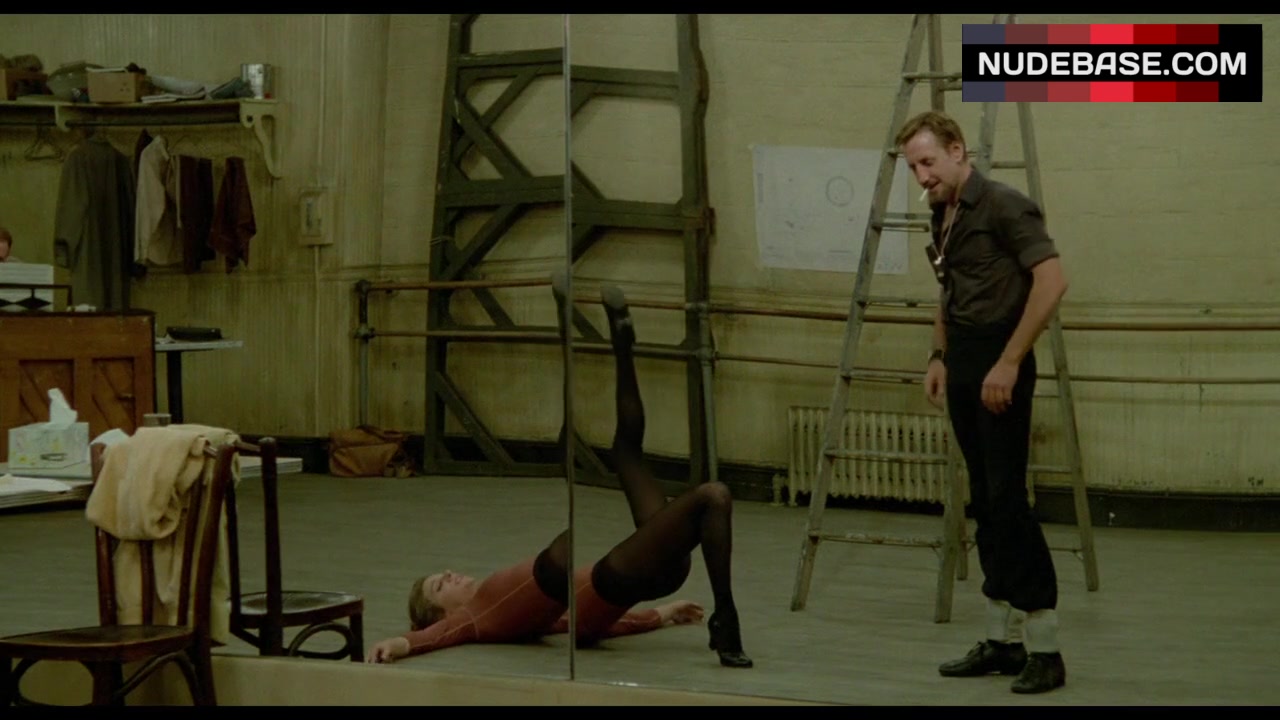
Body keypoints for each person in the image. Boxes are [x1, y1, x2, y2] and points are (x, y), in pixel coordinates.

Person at [365, 271, 754, 669]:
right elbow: (434, 636)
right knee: (710, 494)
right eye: (439, 585)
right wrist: (399, 644)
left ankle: (622, 349)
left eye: (441, 574)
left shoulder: (521, 614)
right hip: (616, 578)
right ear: (443, 612)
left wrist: (661, 615)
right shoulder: (473, 618)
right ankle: (726, 617)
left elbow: (585, 624)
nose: (449, 573)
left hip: (636, 574)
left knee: (631, 455)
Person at [896, 110, 1069, 695]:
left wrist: (1010, 361)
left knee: (1008, 500)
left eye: (927, 162)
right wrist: (938, 355)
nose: (922, 176)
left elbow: (1052, 281)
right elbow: (948, 289)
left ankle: (1045, 646)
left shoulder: (1003, 205)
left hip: (1001, 361)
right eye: (913, 167)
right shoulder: (942, 211)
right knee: (985, 501)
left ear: (957, 150)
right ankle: (1002, 640)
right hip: (965, 361)